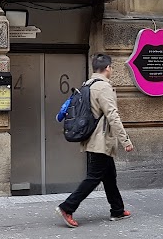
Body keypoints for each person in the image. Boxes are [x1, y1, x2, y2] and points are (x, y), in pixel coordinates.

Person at [56, 54, 134, 227]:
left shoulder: (88, 84)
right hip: (101, 140)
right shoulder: (103, 87)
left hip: (92, 137)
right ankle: (67, 207)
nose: (111, 70)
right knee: (93, 177)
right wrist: (125, 140)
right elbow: (112, 115)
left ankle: (117, 209)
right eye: (111, 67)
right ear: (107, 68)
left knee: (109, 176)